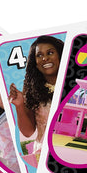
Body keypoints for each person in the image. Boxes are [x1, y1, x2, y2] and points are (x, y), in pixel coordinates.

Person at [8, 36, 64, 165]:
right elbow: (28, 132)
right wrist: (19, 105)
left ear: (61, 54)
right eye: (39, 55)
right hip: (45, 154)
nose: (45, 58)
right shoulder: (32, 90)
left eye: (50, 52)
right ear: (35, 62)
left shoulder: (79, 84)